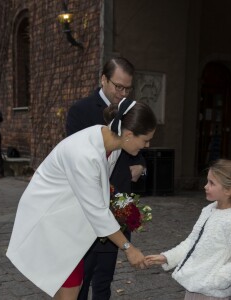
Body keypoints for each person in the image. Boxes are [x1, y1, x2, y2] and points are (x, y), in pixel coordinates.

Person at [6, 99, 157, 300]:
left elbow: (98, 188)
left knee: (70, 287)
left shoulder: (112, 142)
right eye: (145, 140)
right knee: (70, 289)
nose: (148, 145)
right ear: (129, 134)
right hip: (49, 220)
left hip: (67, 218)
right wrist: (129, 249)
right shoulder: (84, 154)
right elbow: (97, 212)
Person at [66, 57, 146, 300]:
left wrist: (140, 165)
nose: (122, 93)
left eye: (127, 88)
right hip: (88, 204)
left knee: (105, 276)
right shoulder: (80, 110)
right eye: (117, 86)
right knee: (83, 272)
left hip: (119, 199)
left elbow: (138, 148)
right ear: (103, 79)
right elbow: (75, 158)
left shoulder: (130, 110)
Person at [145, 159, 231, 300]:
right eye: (207, 181)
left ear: (228, 190)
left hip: (211, 293)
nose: (206, 186)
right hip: (194, 288)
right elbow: (192, 242)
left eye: (212, 183)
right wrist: (166, 257)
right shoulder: (209, 209)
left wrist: (214, 281)